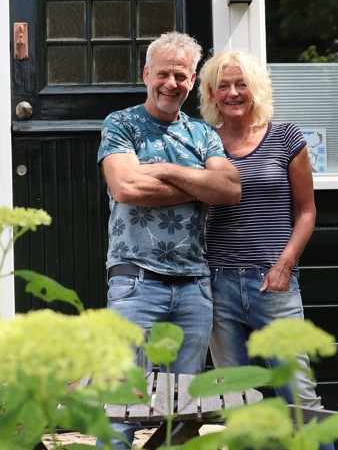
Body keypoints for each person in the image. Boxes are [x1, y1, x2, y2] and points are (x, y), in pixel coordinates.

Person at [97, 32, 241, 448]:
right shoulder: (120, 124)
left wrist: (163, 169)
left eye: (180, 75)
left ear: (192, 80)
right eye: (163, 73)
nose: (171, 83)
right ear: (146, 74)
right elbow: (126, 188)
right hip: (135, 281)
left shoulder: (203, 134)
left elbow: (230, 189)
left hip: (195, 284)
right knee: (120, 405)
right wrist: (200, 184)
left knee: (182, 411)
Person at [198, 50, 335, 450]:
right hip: (216, 284)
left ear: (256, 88)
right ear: (210, 92)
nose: (233, 92)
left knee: (300, 400)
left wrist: (284, 266)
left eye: (241, 83)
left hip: (273, 285)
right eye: (222, 85)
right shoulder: (202, 140)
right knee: (237, 403)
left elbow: (307, 211)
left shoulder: (286, 137)